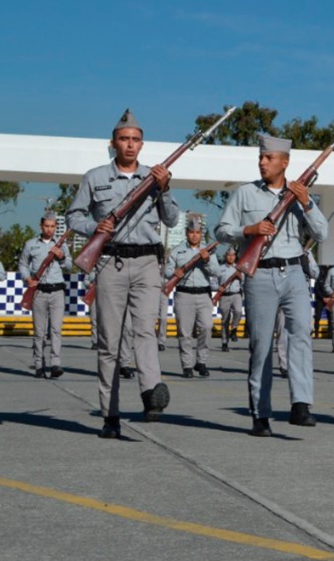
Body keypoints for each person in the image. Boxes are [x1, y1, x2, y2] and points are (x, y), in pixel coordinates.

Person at [67, 109, 178, 438]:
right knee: (109, 344)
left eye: (135, 140)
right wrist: (93, 227)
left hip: (147, 262)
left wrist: (166, 188)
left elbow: (171, 220)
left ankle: (150, 394)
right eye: (124, 139)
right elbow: (73, 216)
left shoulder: (154, 178)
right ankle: (110, 415)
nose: (130, 145)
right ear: (113, 143)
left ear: (142, 144)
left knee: (146, 330)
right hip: (110, 263)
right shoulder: (96, 177)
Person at [216, 134, 327, 436]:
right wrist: (249, 229)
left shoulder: (300, 196)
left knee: (301, 333)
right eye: (261, 158)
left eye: (269, 158)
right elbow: (222, 230)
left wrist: (306, 203)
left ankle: (301, 403)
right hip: (260, 273)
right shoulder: (245, 194)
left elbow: (321, 234)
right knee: (262, 345)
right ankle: (260, 413)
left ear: (285, 162)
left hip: (294, 273)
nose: (262, 162)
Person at [164, 218, 221, 378]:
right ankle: (187, 365)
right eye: (191, 232)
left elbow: (216, 271)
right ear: (186, 233)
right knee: (185, 332)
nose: (194, 235)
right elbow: (167, 272)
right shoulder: (177, 251)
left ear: (201, 234)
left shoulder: (208, 251)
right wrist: (175, 272)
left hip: (204, 295)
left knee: (206, 328)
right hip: (184, 294)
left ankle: (201, 362)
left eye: (197, 233)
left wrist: (207, 260)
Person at [19, 212, 72, 376]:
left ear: (56, 227)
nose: (49, 230)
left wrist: (62, 257)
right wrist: (28, 279)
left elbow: (69, 266)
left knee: (56, 330)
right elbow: (22, 264)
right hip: (39, 291)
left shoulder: (62, 245)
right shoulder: (30, 244)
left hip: (57, 291)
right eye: (47, 226)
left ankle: (55, 364)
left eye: (52, 226)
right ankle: (39, 364)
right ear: (41, 226)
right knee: (39, 332)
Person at [216, 247, 245, 352]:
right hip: (224, 295)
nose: (230, 257)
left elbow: (245, 282)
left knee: (238, 311)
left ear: (235, 256)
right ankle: (224, 342)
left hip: (236, 294)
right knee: (225, 320)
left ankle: (234, 328)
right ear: (226, 256)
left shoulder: (239, 268)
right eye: (229, 255)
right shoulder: (220, 268)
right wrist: (217, 287)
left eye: (232, 255)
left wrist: (241, 277)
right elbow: (214, 282)